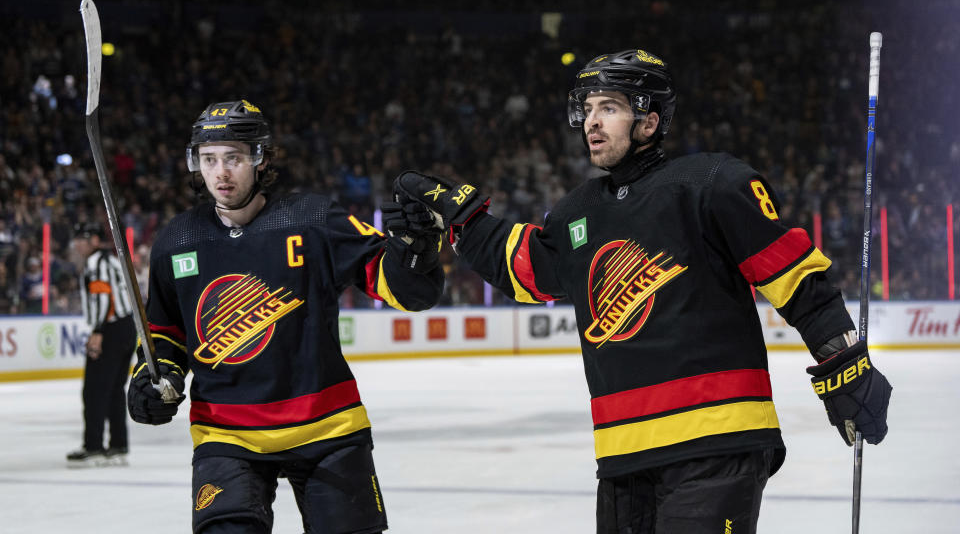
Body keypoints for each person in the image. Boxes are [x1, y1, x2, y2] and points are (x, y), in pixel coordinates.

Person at [394, 50, 893, 534]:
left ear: (649, 121)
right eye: (587, 109)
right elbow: (522, 269)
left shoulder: (711, 183)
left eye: (608, 108)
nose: (592, 121)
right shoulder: (576, 213)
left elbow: (796, 276)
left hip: (715, 441)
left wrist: (842, 365)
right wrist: (460, 217)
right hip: (623, 455)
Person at [126, 99, 442, 534]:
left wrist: (416, 255)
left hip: (327, 426)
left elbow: (404, 289)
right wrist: (151, 376)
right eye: (209, 159)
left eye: (233, 158)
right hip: (227, 435)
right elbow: (163, 333)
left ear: (261, 158)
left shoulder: (314, 220)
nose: (220, 172)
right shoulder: (177, 240)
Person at [66, 222, 136, 468]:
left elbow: (103, 298)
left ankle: (94, 447)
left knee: (94, 390)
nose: (79, 243)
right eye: (77, 239)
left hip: (111, 329)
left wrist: (98, 331)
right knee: (115, 390)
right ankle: (118, 445)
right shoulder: (112, 260)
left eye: (84, 238)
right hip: (126, 327)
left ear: (95, 241)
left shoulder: (97, 263)